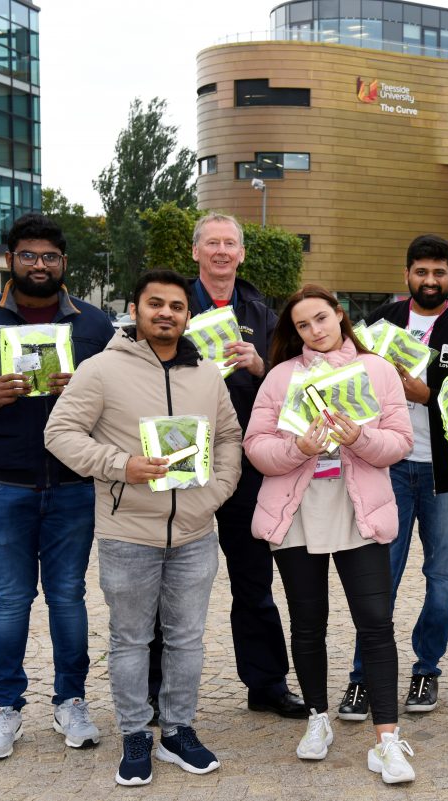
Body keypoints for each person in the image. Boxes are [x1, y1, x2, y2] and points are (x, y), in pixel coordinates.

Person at [45, 269, 242, 786]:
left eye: (176, 306)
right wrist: (119, 465)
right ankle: (135, 734)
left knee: (187, 639)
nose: (166, 313)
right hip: (128, 533)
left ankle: (178, 731)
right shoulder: (101, 370)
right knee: (130, 641)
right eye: (155, 304)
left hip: (196, 534)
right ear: (135, 309)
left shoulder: (206, 375)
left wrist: (216, 494)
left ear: (188, 315)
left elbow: (229, 438)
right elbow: (59, 432)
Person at [0, 213, 112, 762]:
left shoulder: (94, 327)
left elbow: (125, 401)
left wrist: (85, 389)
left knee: (68, 598)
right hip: (4, 483)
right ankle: (4, 706)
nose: (39, 264)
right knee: (10, 600)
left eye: (50, 256)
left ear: (63, 264)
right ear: (10, 260)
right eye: (29, 255)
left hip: (75, 484)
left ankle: (71, 700)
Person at [244, 285, 417, 784]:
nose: (315, 330)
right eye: (303, 324)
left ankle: (386, 739)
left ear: (340, 316)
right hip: (297, 511)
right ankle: (317, 718)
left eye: (322, 318)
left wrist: (358, 436)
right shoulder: (280, 377)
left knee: (375, 622)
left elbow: (400, 442)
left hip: (357, 508)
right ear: (293, 332)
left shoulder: (377, 370)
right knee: (307, 622)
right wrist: (299, 446)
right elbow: (257, 447)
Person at [141, 212, 302, 722]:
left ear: (241, 253)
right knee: (166, 579)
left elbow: (292, 382)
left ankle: (267, 683)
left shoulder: (264, 311)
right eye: (211, 243)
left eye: (229, 243)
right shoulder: (169, 303)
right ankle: (153, 690)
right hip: (178, 452)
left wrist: (261, 366)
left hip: (243, 460)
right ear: (196, 252)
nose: (221, 252)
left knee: (253, 579)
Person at [337, 234, 448, 721]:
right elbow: (348, 376)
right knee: (380, 578)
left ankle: (427, 668)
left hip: (445, 474)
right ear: (407, 274)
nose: (430, 280)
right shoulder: (382, 321)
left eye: (439, 272)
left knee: (442, 578)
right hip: (389, 468)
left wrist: (427, 395)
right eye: (421, 271)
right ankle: (364, 677)